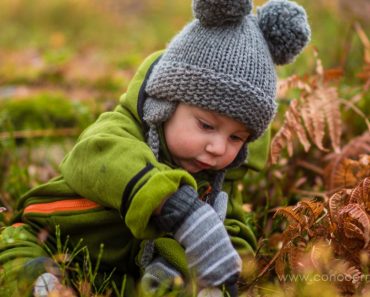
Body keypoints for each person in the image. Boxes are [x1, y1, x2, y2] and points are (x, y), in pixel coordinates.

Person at [0, 0, 310, 296]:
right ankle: (42, 282)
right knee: (16, 250)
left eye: (236, 138)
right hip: (53, 235)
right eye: (206, 125)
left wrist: (220, 265)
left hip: (122, 273)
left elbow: (233, 229)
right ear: (165, 105)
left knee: (176, 280)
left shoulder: (218, 177)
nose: (218, 147)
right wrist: (175, 205)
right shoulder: (122, 130)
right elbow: (94, 156)